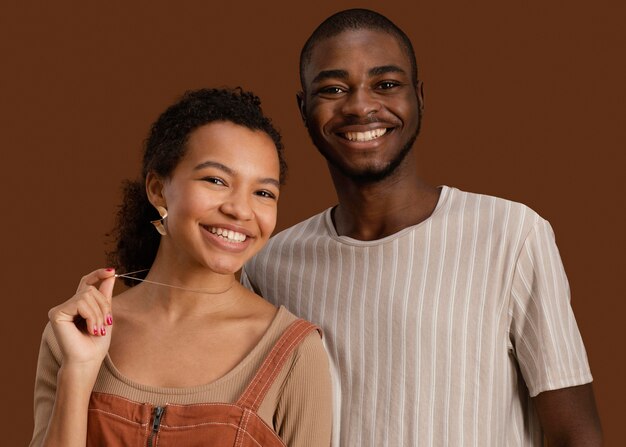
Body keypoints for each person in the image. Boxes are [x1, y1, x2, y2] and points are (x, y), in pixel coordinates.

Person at [242, 9, 602, 446]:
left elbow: (575, 434)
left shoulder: (512, 235)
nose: (360, 106)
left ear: (419, 96)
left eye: (386, 85)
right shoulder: (268, 265)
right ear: (303, 108)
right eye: (334, 89)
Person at [30, 88, 332, 447]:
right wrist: (78, 371)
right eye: (216, 180)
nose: (240, 210)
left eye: (263, 193)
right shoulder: (76, 333)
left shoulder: (295, 353)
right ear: (158, 189)